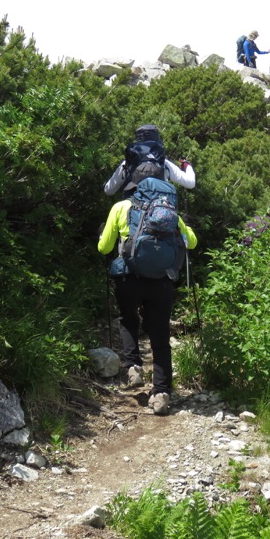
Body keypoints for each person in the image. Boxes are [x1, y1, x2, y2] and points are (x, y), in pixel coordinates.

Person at [98, 168, 199, 416]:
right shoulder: (170, 211)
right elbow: (192, 242)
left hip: (128, 278)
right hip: (162, 282)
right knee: (160, 336)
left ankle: (133, 367)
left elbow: (104, 248)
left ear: (135, 184)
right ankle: (162, 394)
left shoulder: (121, 207)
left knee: (128, 319)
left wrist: (103, 234)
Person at [104, 125, 196, 197]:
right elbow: (190, 183)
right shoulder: (164, 163)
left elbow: (108, 190)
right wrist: (187, 165)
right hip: (158, 208)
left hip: (131, 204)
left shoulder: (127, 163)